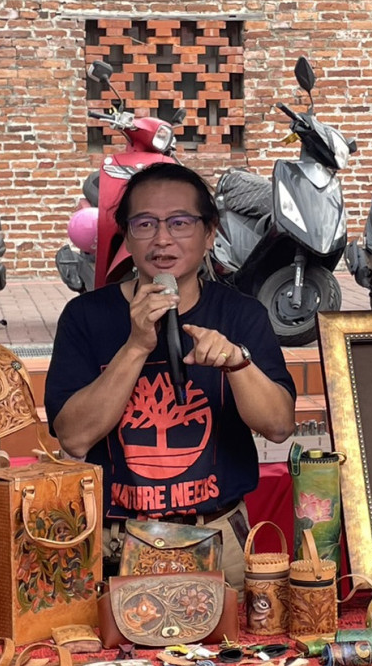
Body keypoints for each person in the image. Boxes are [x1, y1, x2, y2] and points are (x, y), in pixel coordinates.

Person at [45, 161, 297, 590]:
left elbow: (279, 426)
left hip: (219, 537)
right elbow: (73, 437)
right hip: (115, 544)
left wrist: (238, 363)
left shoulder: (241, 314)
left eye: (180, 222)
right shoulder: (86, 317)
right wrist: (136, 346)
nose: (162, 239)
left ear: (210, 232)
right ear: (125, 235)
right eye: (145, 223)